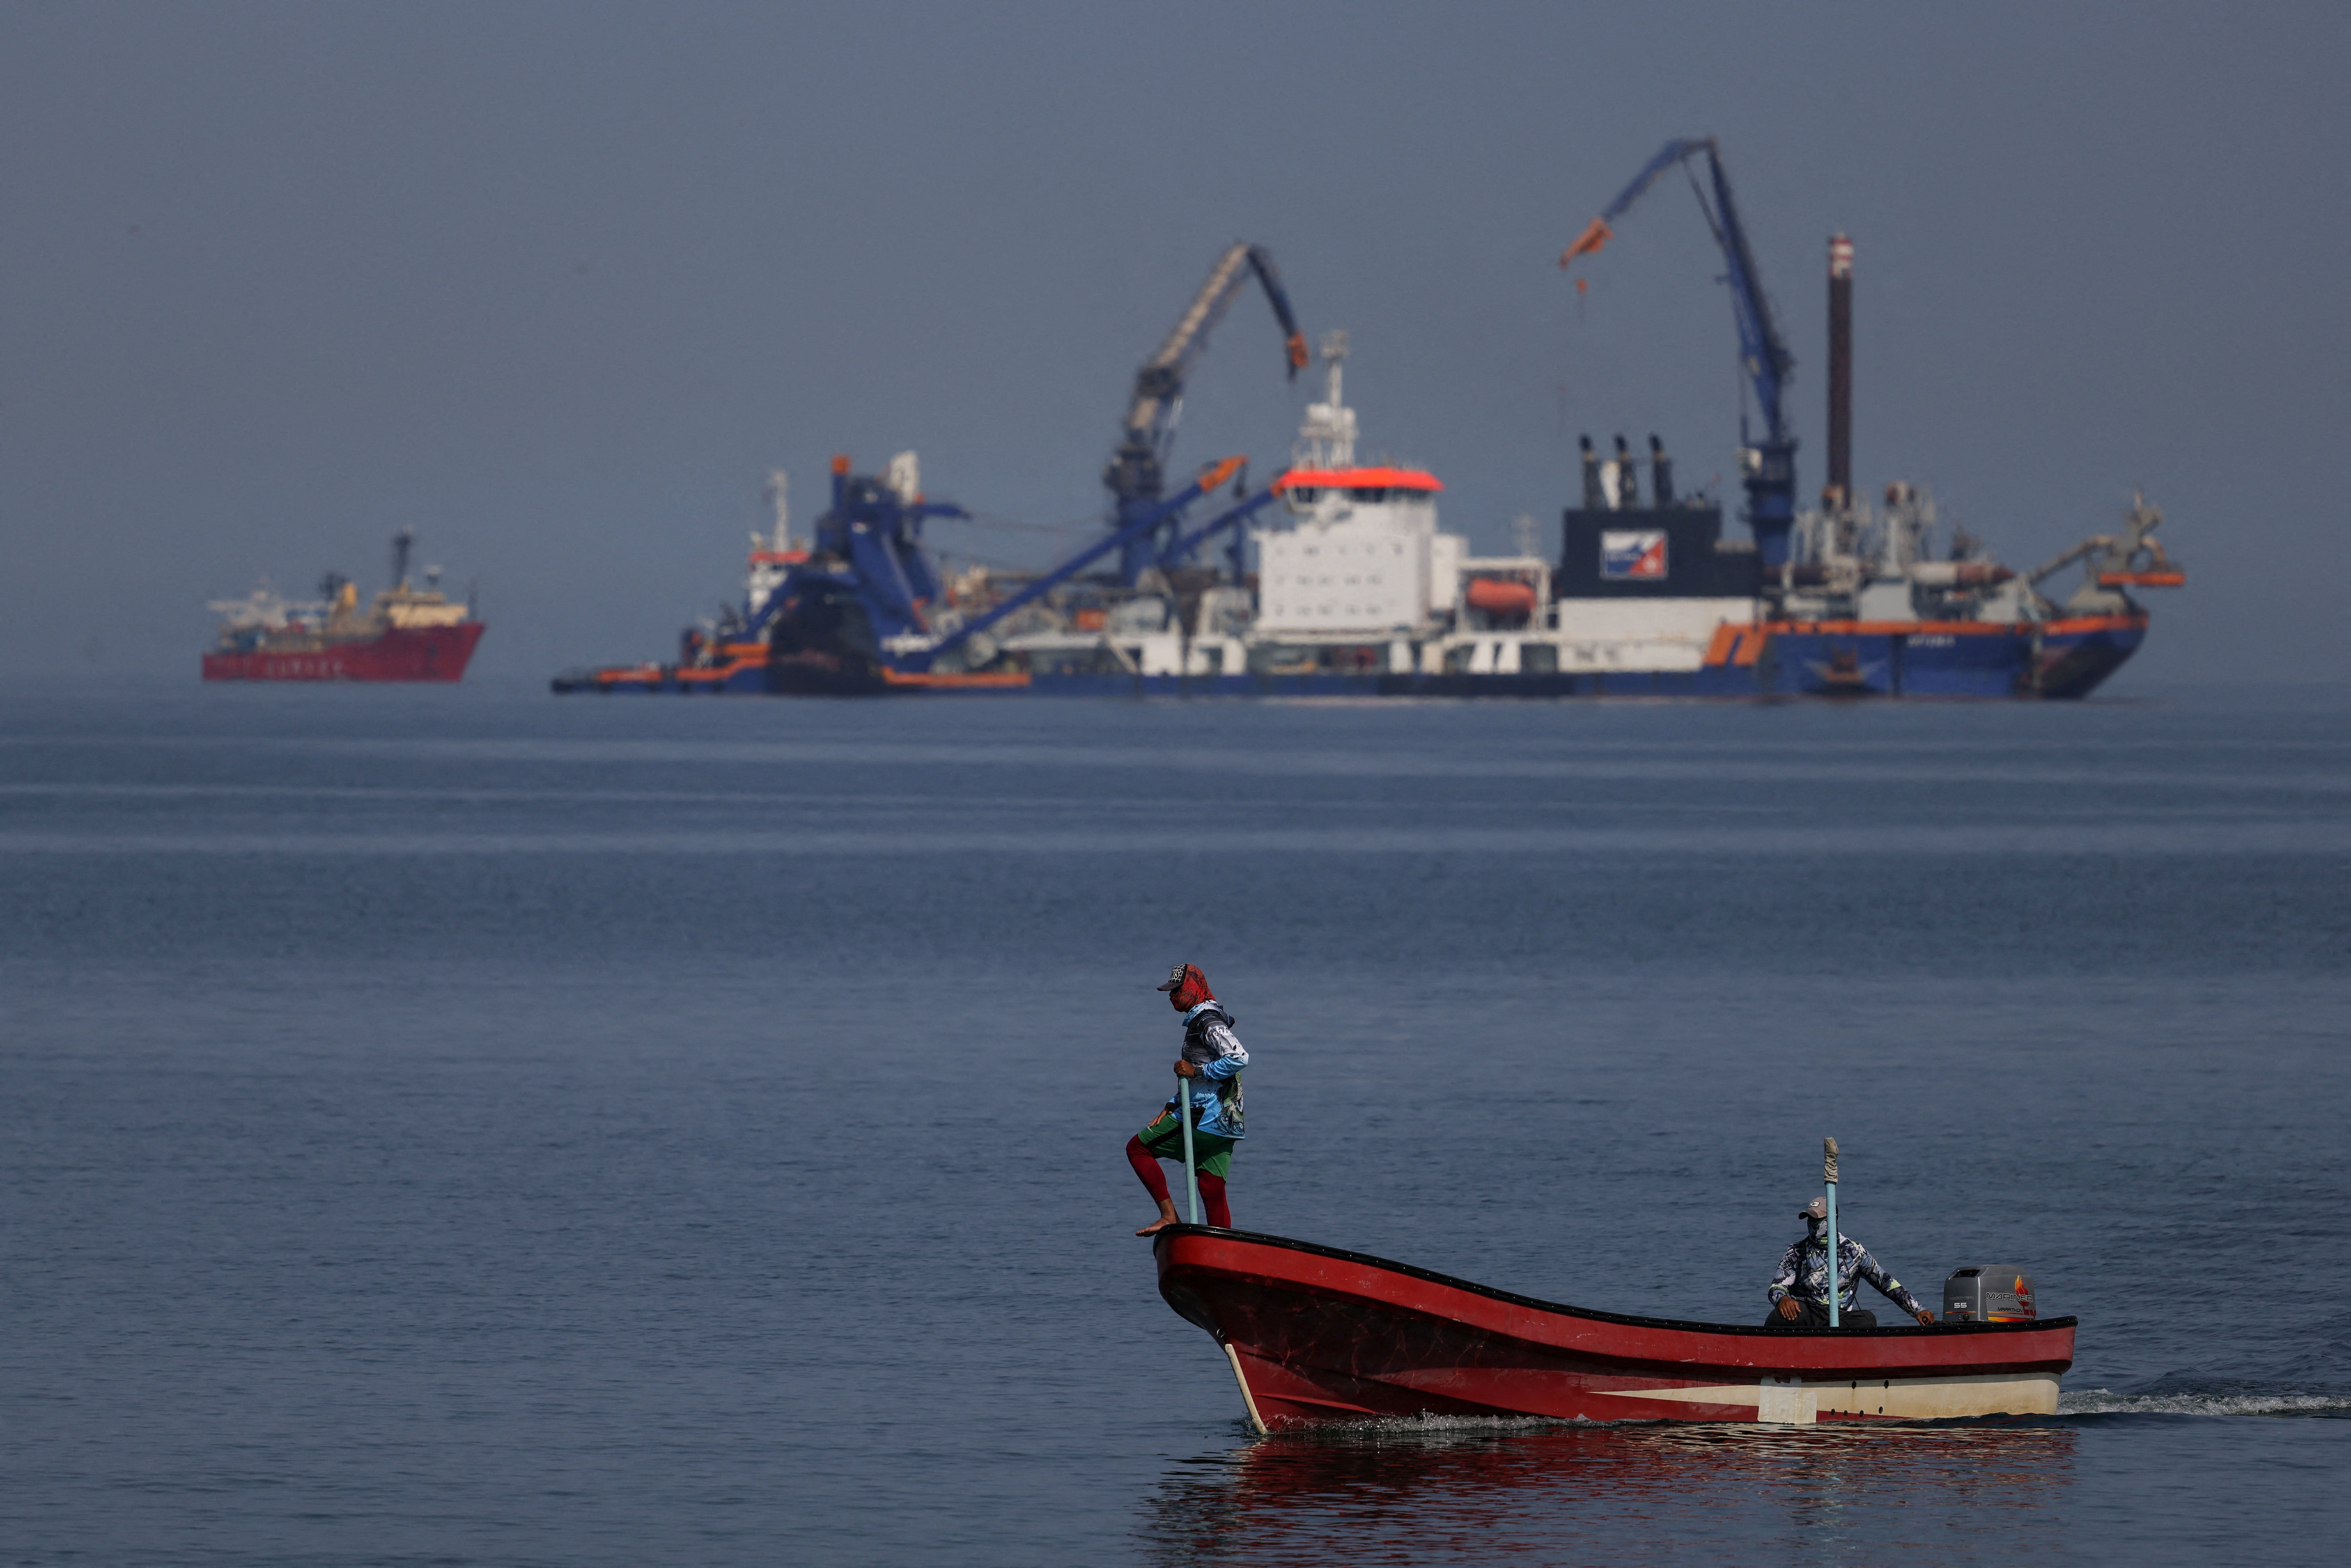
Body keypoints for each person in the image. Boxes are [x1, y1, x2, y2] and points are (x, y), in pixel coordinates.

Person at [1126, 962, 1247, 1236]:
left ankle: (1169, 1216)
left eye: (1177, 991)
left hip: (1203, 1116)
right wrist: (1175, 1101)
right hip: (1227, 1121)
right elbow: (1206, 1079)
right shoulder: (1207, 1017)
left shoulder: (1207, 1021)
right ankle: (1222, 1254)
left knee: (1137, 1149)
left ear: (1193, 989)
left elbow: (1239, 1057)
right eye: (1170, 993)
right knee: (1211, 1187)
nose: (1172, 997)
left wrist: (1196, 1070)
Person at [1765, 1197, 1936, 1328]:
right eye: (1810, 1220)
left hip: (1840, 1317)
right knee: (1782, 1315)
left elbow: (1887, 1284)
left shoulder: (1854, 1252)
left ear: (1832, 1221)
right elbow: (1776, 1287)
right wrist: (1783, 1299)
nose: (1812, 1225)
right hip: (1806, 1312)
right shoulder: (1797, 1251)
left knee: (1867, 1320)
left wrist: (1918, 1310)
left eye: (1817, 1220)